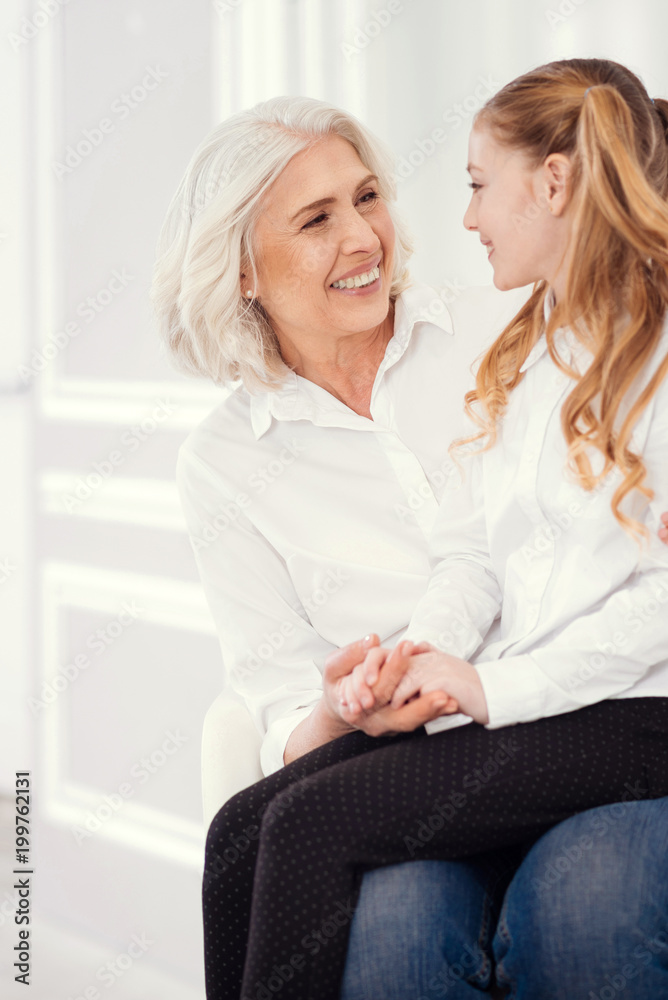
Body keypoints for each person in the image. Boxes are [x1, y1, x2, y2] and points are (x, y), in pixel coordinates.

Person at [150, 65, 668, 1000]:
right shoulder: (224, 464)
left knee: (584, 906)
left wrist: (481, 679)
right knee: (314, 884)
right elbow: (280, 704)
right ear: (240, 270)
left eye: (368, 198)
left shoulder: (522, 318)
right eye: (315, 221)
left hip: (589, 711)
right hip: (425, 743)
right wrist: (362, 694)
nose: (365, 238)